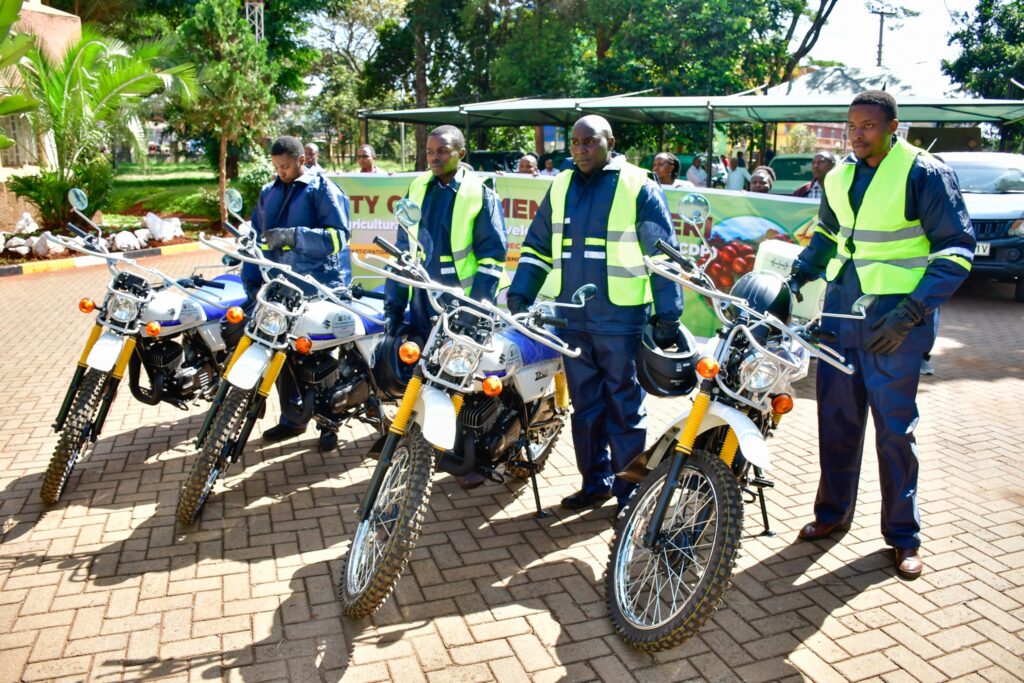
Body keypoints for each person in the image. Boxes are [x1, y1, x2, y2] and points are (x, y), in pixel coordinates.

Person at [788, 90, 975, 580]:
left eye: (868, 126)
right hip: (841, 322)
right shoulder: (839, 176)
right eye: (852, 126)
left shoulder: (925, 173)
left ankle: (903, 537)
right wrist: (796, 277)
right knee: (837, 425)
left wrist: (911, 313)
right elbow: (828, 239)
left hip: (897, 327)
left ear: (893, 126)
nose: (858, 135)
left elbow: (956, 249)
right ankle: (832, 516)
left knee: (895, 434)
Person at [507, 115, 683, 513]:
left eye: (590, 142)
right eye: (575, 143)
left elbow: (663, 256)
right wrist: (521, 294)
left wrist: (668, 314)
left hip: (620, 320)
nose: (581, 150)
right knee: (586, 409)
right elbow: (536, 247)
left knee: (624, 407)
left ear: (610, 142)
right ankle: (595, 483)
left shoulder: (638, 184)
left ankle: (629, 493)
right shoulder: (562, 185)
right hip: (572, 319)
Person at [383, 124, 509, 488]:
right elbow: (402, 251)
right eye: (429, 151)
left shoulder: (479, 194)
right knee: (421, 369)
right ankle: (416, 443)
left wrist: (476, 309)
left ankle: (465, 456)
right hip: (424, 298)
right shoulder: (417, 187)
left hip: (463, 305)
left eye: (443, 150)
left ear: (461, 153)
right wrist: (395, 304)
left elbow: (492, 258)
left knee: (460, 380)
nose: (434, 157)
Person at [245, 136, 352, 452]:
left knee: (320, 360)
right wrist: (252, 282)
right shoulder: (268, 193)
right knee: (282, 356)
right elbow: (256, 240)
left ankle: (329, 425)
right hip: (281, 290)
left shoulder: (323, 190)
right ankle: (293, 420)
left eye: (286, 166)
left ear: (302, 160)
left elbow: (338, 238)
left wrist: (294, 236)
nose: (281, 172)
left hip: (320, 287)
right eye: (277, 167)